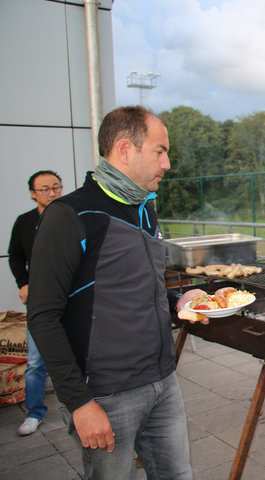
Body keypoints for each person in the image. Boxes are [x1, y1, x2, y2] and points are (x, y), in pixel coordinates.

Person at [27, 106, 203, 480]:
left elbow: (141, 287)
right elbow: (42, 317)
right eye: (160, 150)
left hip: (163, 382)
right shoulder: (70, 214)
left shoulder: (145, 211)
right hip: (106, 396)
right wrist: (79, 403)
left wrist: (177, 302)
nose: (167, 163)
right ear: (125, 149)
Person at [8, 170, 63, 435]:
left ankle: (83, 405)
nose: (52, 192)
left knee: (80, 353)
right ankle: (35, 412)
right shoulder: (24, 222)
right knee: (36, 360)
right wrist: (23, 283)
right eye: (45, 189)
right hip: (39, 298)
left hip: (70, 297)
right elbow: (16, 256)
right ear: (33, 193)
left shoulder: (71, 216)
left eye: (56, 187)